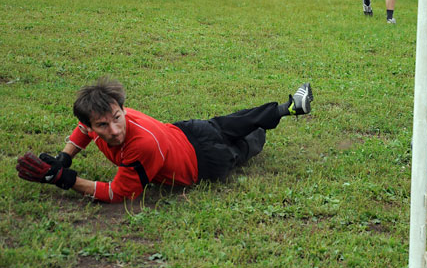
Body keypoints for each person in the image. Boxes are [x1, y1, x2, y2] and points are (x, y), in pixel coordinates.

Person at [16, 78, 314, 204]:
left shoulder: (138, 146)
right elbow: (81, 131)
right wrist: (65, 157)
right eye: (103, 126)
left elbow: (118, 194)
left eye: (117, 118)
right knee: (239, 124)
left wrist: (67, 180)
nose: (114, 130)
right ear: (92, 124)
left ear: (121, 107)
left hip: (202, 155)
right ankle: (284, 109)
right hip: (189, 142)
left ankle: (281, 112)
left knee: (248, 138)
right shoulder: (98, 120)